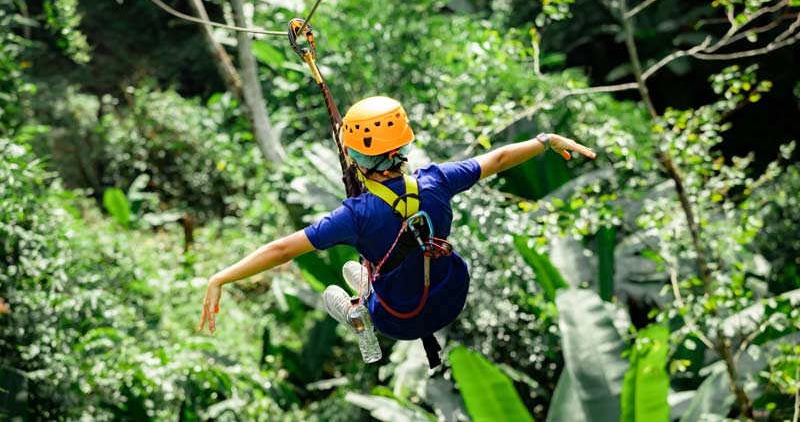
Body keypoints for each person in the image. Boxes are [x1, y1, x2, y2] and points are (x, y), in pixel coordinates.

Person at [197, 96, 596, 349]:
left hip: (398, 319)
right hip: (449, 295)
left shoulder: (355, 215)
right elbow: (499, 159)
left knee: (349, 275)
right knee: (380, 261)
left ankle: (359, 314)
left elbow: (282, 249)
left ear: (354, 158)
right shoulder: (437, 180)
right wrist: (545, 139)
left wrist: (221, 278)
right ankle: (369, 285)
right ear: (405, 145)